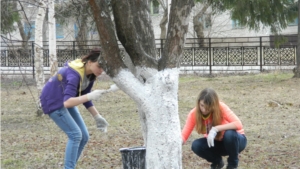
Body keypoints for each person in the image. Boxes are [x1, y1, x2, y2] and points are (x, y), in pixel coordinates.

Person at [40, 48, 109, 169]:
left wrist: (97, 117)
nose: (101, 70)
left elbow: (86, 98)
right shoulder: (74, 74)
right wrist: (89, 95)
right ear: (89, 62)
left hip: (64, 100)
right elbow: (67, 102)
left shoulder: (90, 76)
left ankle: (69, 166)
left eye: (103, 68)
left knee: (84, 136)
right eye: (99, 66)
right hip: (53, 102)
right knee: (76, 135)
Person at [181, 88, 247, 169]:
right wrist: (177, 143)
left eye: (208, 107)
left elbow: (238, 124)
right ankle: (217, 162)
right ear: (198, 102)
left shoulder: (221, 107)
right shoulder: (193, 114)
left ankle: (232, 165)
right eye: (202, 105)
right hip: (217, 143)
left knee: (229, 134)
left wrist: (215, 129)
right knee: (196, 145)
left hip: (236, 142)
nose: (204, 110)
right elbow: (184, 135)